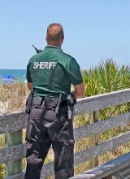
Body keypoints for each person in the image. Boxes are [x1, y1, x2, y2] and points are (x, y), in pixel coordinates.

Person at [25, 23, 85, 179]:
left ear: (46, 38)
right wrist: (69, 95)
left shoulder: (34, 60)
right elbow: (80, 92)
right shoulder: (67, 61)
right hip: (58, 115)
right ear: (62, 39)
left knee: (34, 160)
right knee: (63, 162)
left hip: (36, 113)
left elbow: (31, 86)